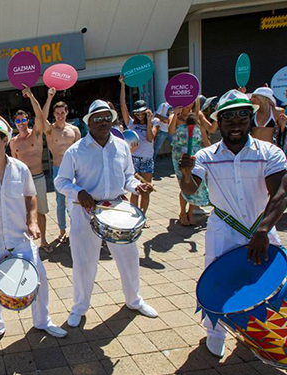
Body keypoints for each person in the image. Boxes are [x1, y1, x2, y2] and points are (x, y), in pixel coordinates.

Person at [178, 89, 287, 358]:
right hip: (223, 231)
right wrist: (184, 174)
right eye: (228, 118)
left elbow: (281, 193)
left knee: (272, 282)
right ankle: (215, 333)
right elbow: (191, 191)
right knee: (219, 283)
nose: (235, 124)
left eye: (241, 117)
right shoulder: (206, 156)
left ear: (251, 119)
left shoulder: (270, 152)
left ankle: (267, 331)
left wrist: (263, 229)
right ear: (220, 122)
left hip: (261, 228)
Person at [0, 118, 68, 346]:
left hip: (20, 240)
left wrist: (33, 221)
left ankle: (42, 320)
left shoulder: (21, 169)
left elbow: (31, 196)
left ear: (4, 140)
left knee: (39, 278)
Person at [54, 100, 159, 328]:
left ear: (112, 121)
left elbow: (129, 176)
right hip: (86, 211)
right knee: (84, 263)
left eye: (106, 118)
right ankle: (79, 308)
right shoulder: (76, 150)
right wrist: (78, 191)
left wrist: (136, 187)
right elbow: (60, 181)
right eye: (97, 118)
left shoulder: (121, 146)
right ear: (88, 123)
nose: (103, 122)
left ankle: (134, 300)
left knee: (129, 258)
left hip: (116, 209)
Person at [10, 85, 52, 253]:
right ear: (15, 123)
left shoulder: (35, 133)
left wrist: (31, 96)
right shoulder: (13, 142)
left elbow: (41, 117)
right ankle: (26, 243)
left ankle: (44, 240)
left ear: (28, 120)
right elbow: (13, 163)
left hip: (39, 177)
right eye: (18, 121)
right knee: (24, 214)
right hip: (22, 181)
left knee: (41, 211)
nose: (21, 123)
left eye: (23, 120)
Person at [42, 88, 81, 244]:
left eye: (62, 112)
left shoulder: (75, 130)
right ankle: (62, 230)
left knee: (76, 200)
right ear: (54, 114)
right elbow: (41, 117)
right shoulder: (50, 130)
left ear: (66, 112)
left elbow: (81, 152)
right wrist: (49, 98)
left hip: (75, 170)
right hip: (59, 168)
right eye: (57, 113)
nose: (60, 115)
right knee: (60, 201)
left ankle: (76, 228)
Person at [119, 76, 158, 216]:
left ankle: (143, 215)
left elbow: (149, 138)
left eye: (142, 112)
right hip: (134, 159)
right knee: (135, 190)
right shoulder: (131, 123)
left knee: (146, 189)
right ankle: (135, 216)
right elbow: (123, 105)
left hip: (147, 160)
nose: (140, 115)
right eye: (137, 113)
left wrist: (149, 121)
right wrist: (123, 85)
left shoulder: (155, 123)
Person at [168, 102, 210, 226]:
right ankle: (182, 213)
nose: (188, 103)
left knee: (195, 182)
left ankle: (191, 213)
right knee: (184, 183)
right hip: (179, 155)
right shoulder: (174, 115)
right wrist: (175, 114)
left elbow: (210, 129)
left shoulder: (197, 115)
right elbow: (170, 131)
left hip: (195, 154)